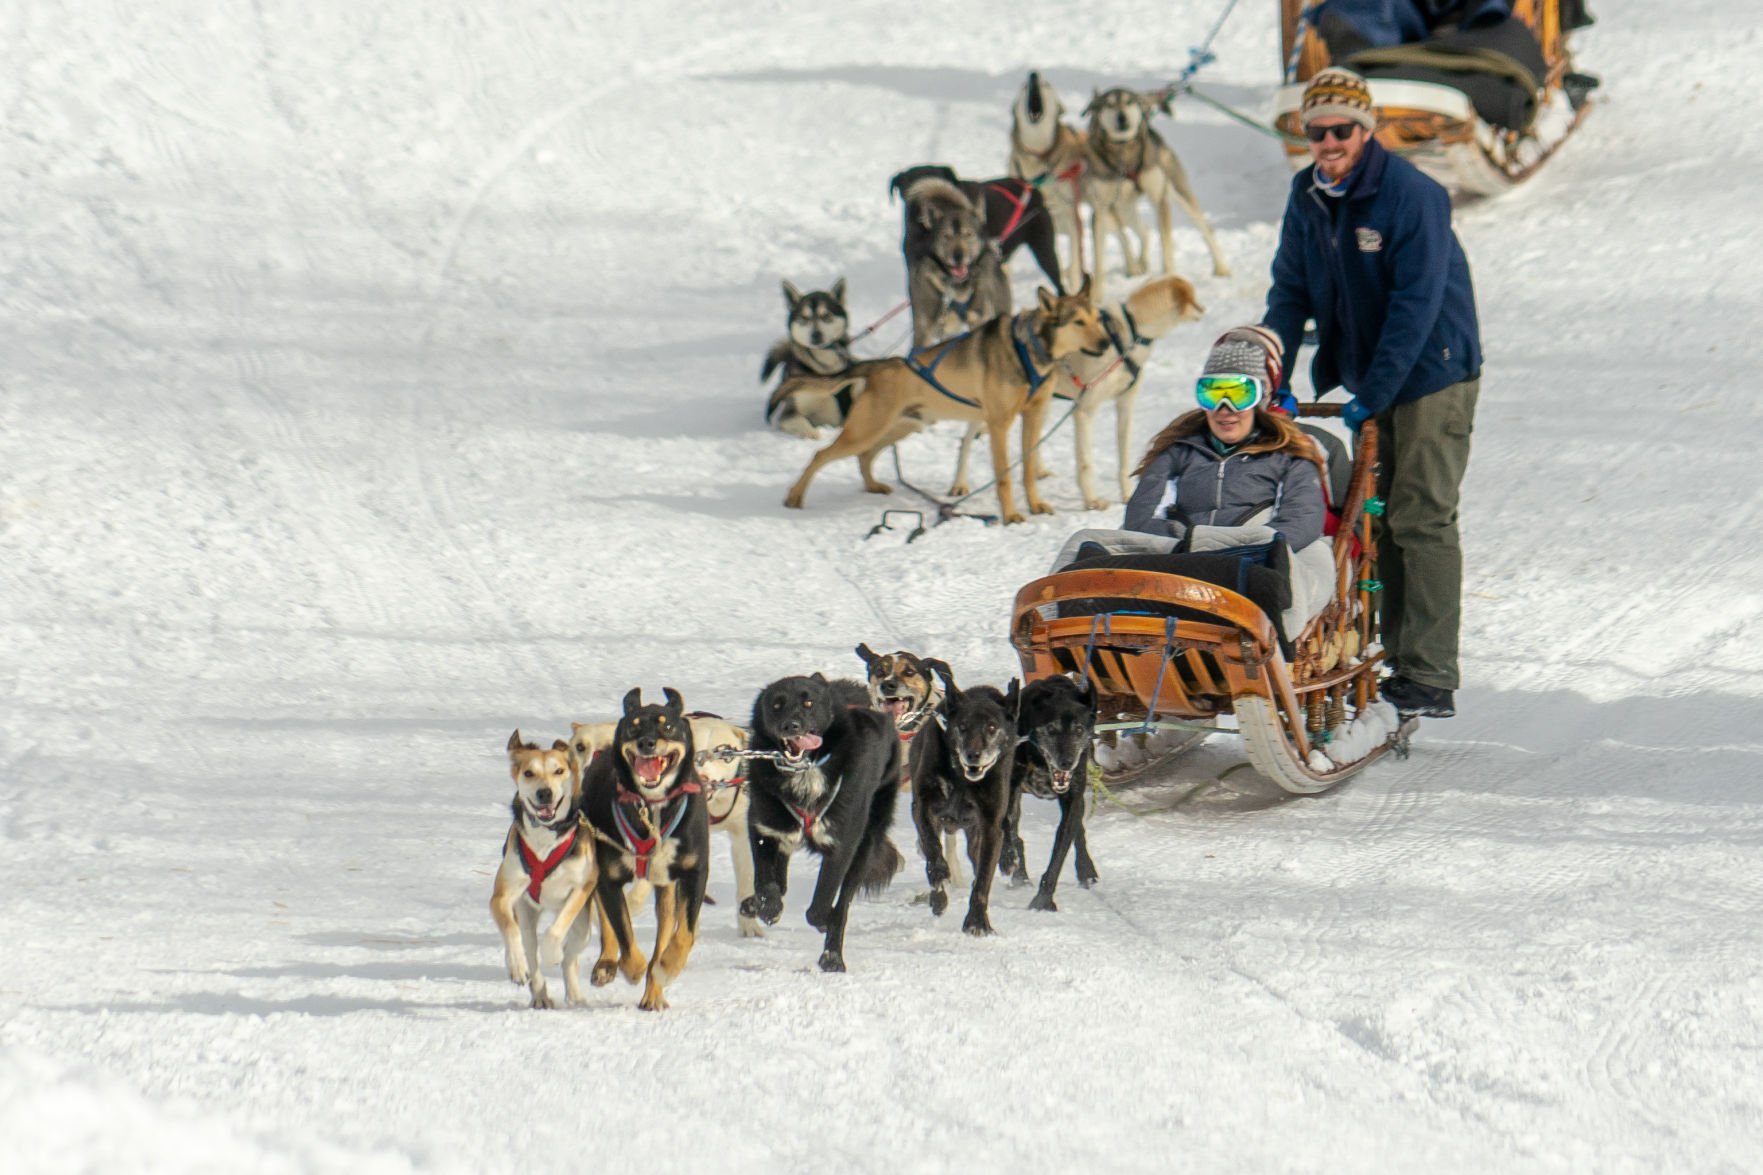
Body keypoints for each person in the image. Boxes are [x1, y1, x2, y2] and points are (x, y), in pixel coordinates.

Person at [1262, 66, 1480, 720]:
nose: (1327, 141)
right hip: (1373, 372)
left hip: (1432, 370)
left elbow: (1414, 308)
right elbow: (1289, 291)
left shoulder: (1411, 196)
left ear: (1367, 129)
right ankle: (1384, 650)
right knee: (1373, 515)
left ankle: (1429, 673)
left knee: (1421, 513)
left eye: (1341, 129)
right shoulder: (1307, 196)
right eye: (1316, 130)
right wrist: (1268, 371)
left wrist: (1370, 395)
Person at [1046, 327, 1334, 642]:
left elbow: (1301, 523)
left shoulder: (1289, 454)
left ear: (1262, 397)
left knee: (1311, 557)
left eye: (1240, 393)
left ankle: (1264, 637)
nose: (1225, 408)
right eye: (1212, 393)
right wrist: (1190, 543)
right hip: (1183, 558)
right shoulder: (1181, 450)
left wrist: (1226, 544)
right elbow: (1139, 519)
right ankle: (1051, 629)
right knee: (1084, 540)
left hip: (1255, 553)